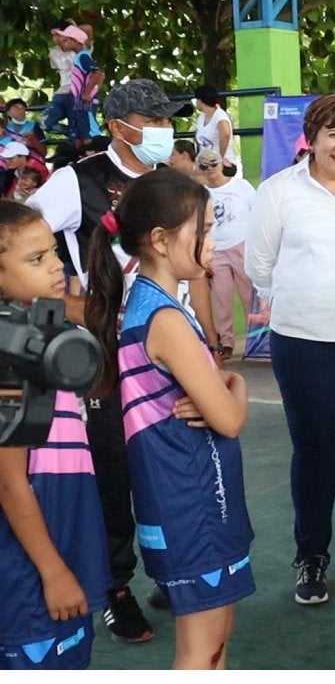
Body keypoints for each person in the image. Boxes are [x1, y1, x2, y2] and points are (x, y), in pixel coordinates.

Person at [26, 77, 210, 644]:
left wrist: (206, 341)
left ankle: (169, 570)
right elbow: (17, 247)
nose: (163, 130)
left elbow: (195, 265)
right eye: (151, 121)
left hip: (168, 346)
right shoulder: (74, 181)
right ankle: (115, 587)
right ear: (119, 126)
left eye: (167, 120)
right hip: (104, 353)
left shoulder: (171, 184)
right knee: (111, 467)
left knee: (168, 456)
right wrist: (75, 305)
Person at [85, 170, 253, 668]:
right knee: (202, 648)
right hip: (191, 503)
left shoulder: (153, 304)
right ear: (159, 240)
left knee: (216, 637)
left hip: (196, 496)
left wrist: (219, 390)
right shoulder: (162, 317)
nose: (212, 240)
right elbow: (229, 419)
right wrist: (235, 385)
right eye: (201, 229)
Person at [245, 93, 335, 605]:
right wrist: (304, 296)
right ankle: (311, 554)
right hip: (303, 337)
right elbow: (259, 267)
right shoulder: (279, 191)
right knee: (317, 448)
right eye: (333, 133)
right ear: (311, 137)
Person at [0, 202, 110, 670]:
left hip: (67, 521)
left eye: (53, 253)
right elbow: (9, 482)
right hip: (31, 557)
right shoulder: (11, 355)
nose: (56, 266)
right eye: (36, 259)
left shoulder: (42, 332)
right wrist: (52, 571)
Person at [198, 148, 256, 359]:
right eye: (204, 166)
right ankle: (226, 341)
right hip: (216, 250)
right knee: (221, 298)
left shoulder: (241, 186)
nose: (210, 169)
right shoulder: (200, 192)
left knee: (250, 295)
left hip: (243, 245)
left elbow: (258, 213)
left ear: (222, 164)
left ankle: (256, 339)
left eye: (213, 164)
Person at [58, 25, 102, 148]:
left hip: (84, 102)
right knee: (81, 132)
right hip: (79, 101)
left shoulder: (83, 56)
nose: (63, 45)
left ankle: (94, 155)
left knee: (89, 133)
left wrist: (87, 93)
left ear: (75, 40)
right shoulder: (79, 56)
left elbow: (98, 73)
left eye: (65, 41)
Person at [193, 85, 238, 173]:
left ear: (201, 101)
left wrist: (220, 159)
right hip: (205, 162)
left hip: (220, 162)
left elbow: (225, 135)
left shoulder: (220, 116)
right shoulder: (201, 117)